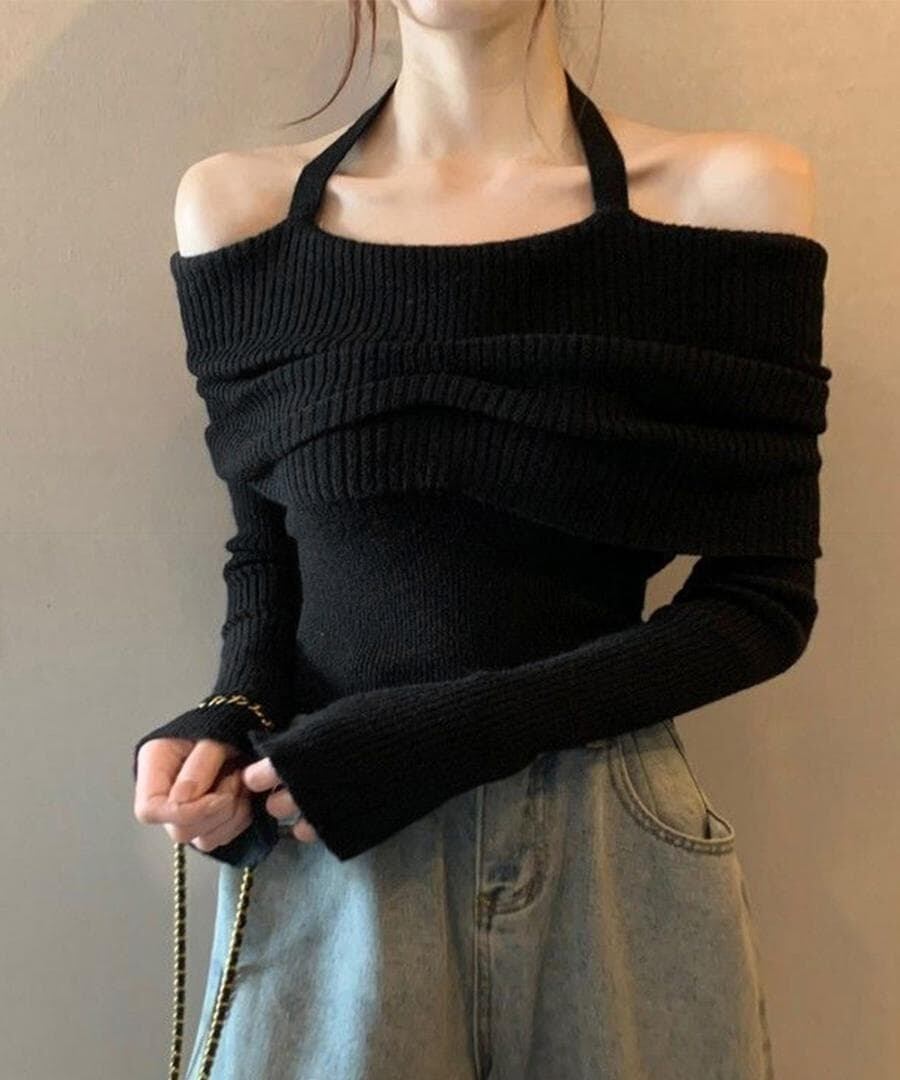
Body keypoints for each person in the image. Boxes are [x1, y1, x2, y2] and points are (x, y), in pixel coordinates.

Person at [132, 1, 831, 1077]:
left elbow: (763, 602)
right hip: (333, 835)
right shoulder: (238, 213)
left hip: (607, 843)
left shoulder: (727, 200)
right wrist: (231, 713)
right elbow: (268, 554)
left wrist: (443, 737)